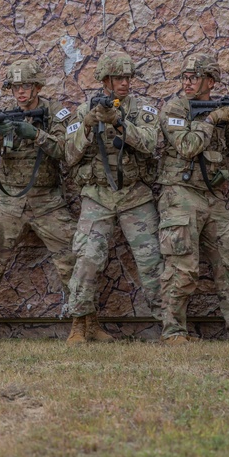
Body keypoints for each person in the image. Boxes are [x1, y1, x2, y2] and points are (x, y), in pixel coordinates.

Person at [0, 59, 77, 342]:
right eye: (16, 87)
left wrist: (36, 134)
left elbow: (67, 153)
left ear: (38, 86)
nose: (21, 92)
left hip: (47, 199)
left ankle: (85, 322)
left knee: (72, 259)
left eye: (27, 86)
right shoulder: (5, 114)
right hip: (8, 200)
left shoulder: (57, 113)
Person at [156, 54, 229, 344]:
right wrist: (211, 119)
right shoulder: (174, 109)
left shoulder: (221, 110)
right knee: (182, 268)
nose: (187, 82)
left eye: (193, 77)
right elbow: (186, 146)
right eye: (184, 77)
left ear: (210, 81)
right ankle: (173, 332)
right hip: (180, 195)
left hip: (213, 197)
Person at [64, 51, 163, 345]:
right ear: (105, 80)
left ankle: (172, 328)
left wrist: (120, 124)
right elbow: (68, 155)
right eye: (118, 78)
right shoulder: (84, 111)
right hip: (97, 196)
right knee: (87, 260)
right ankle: (79, 325)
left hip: (135, 195)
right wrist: (88, 126)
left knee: (152, 262)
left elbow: (149, 144)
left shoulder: (143, 110)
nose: (124, 83)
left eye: (127, 78)